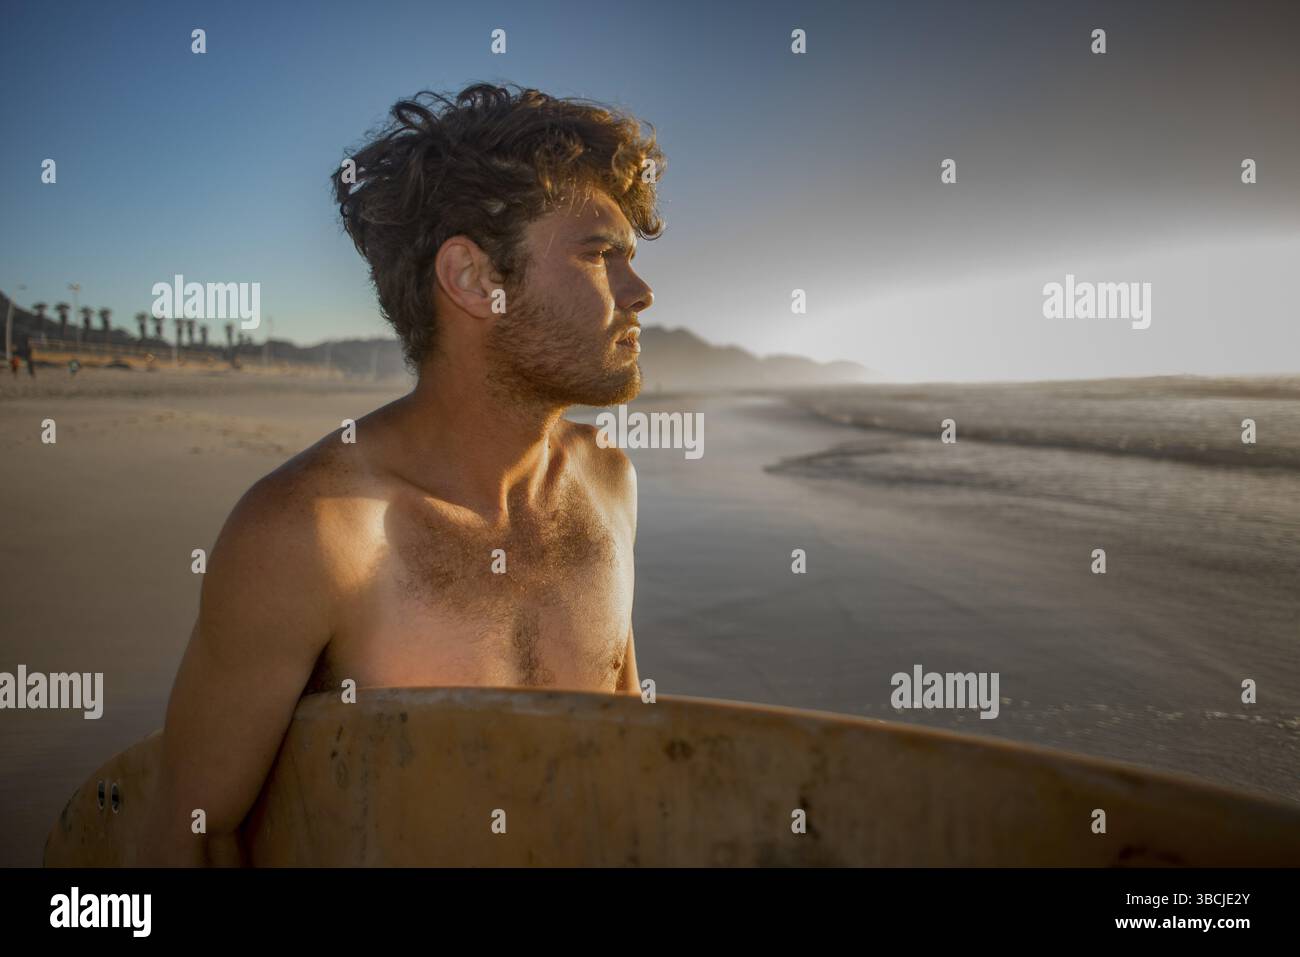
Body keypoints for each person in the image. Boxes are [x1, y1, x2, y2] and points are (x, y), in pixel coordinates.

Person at [148, 83, 664, 865]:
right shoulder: (312, 533)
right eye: (600, 255)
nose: (641, 292)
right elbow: (185, 839)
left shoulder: (609, 484)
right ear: (470, 279)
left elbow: (623, 746)